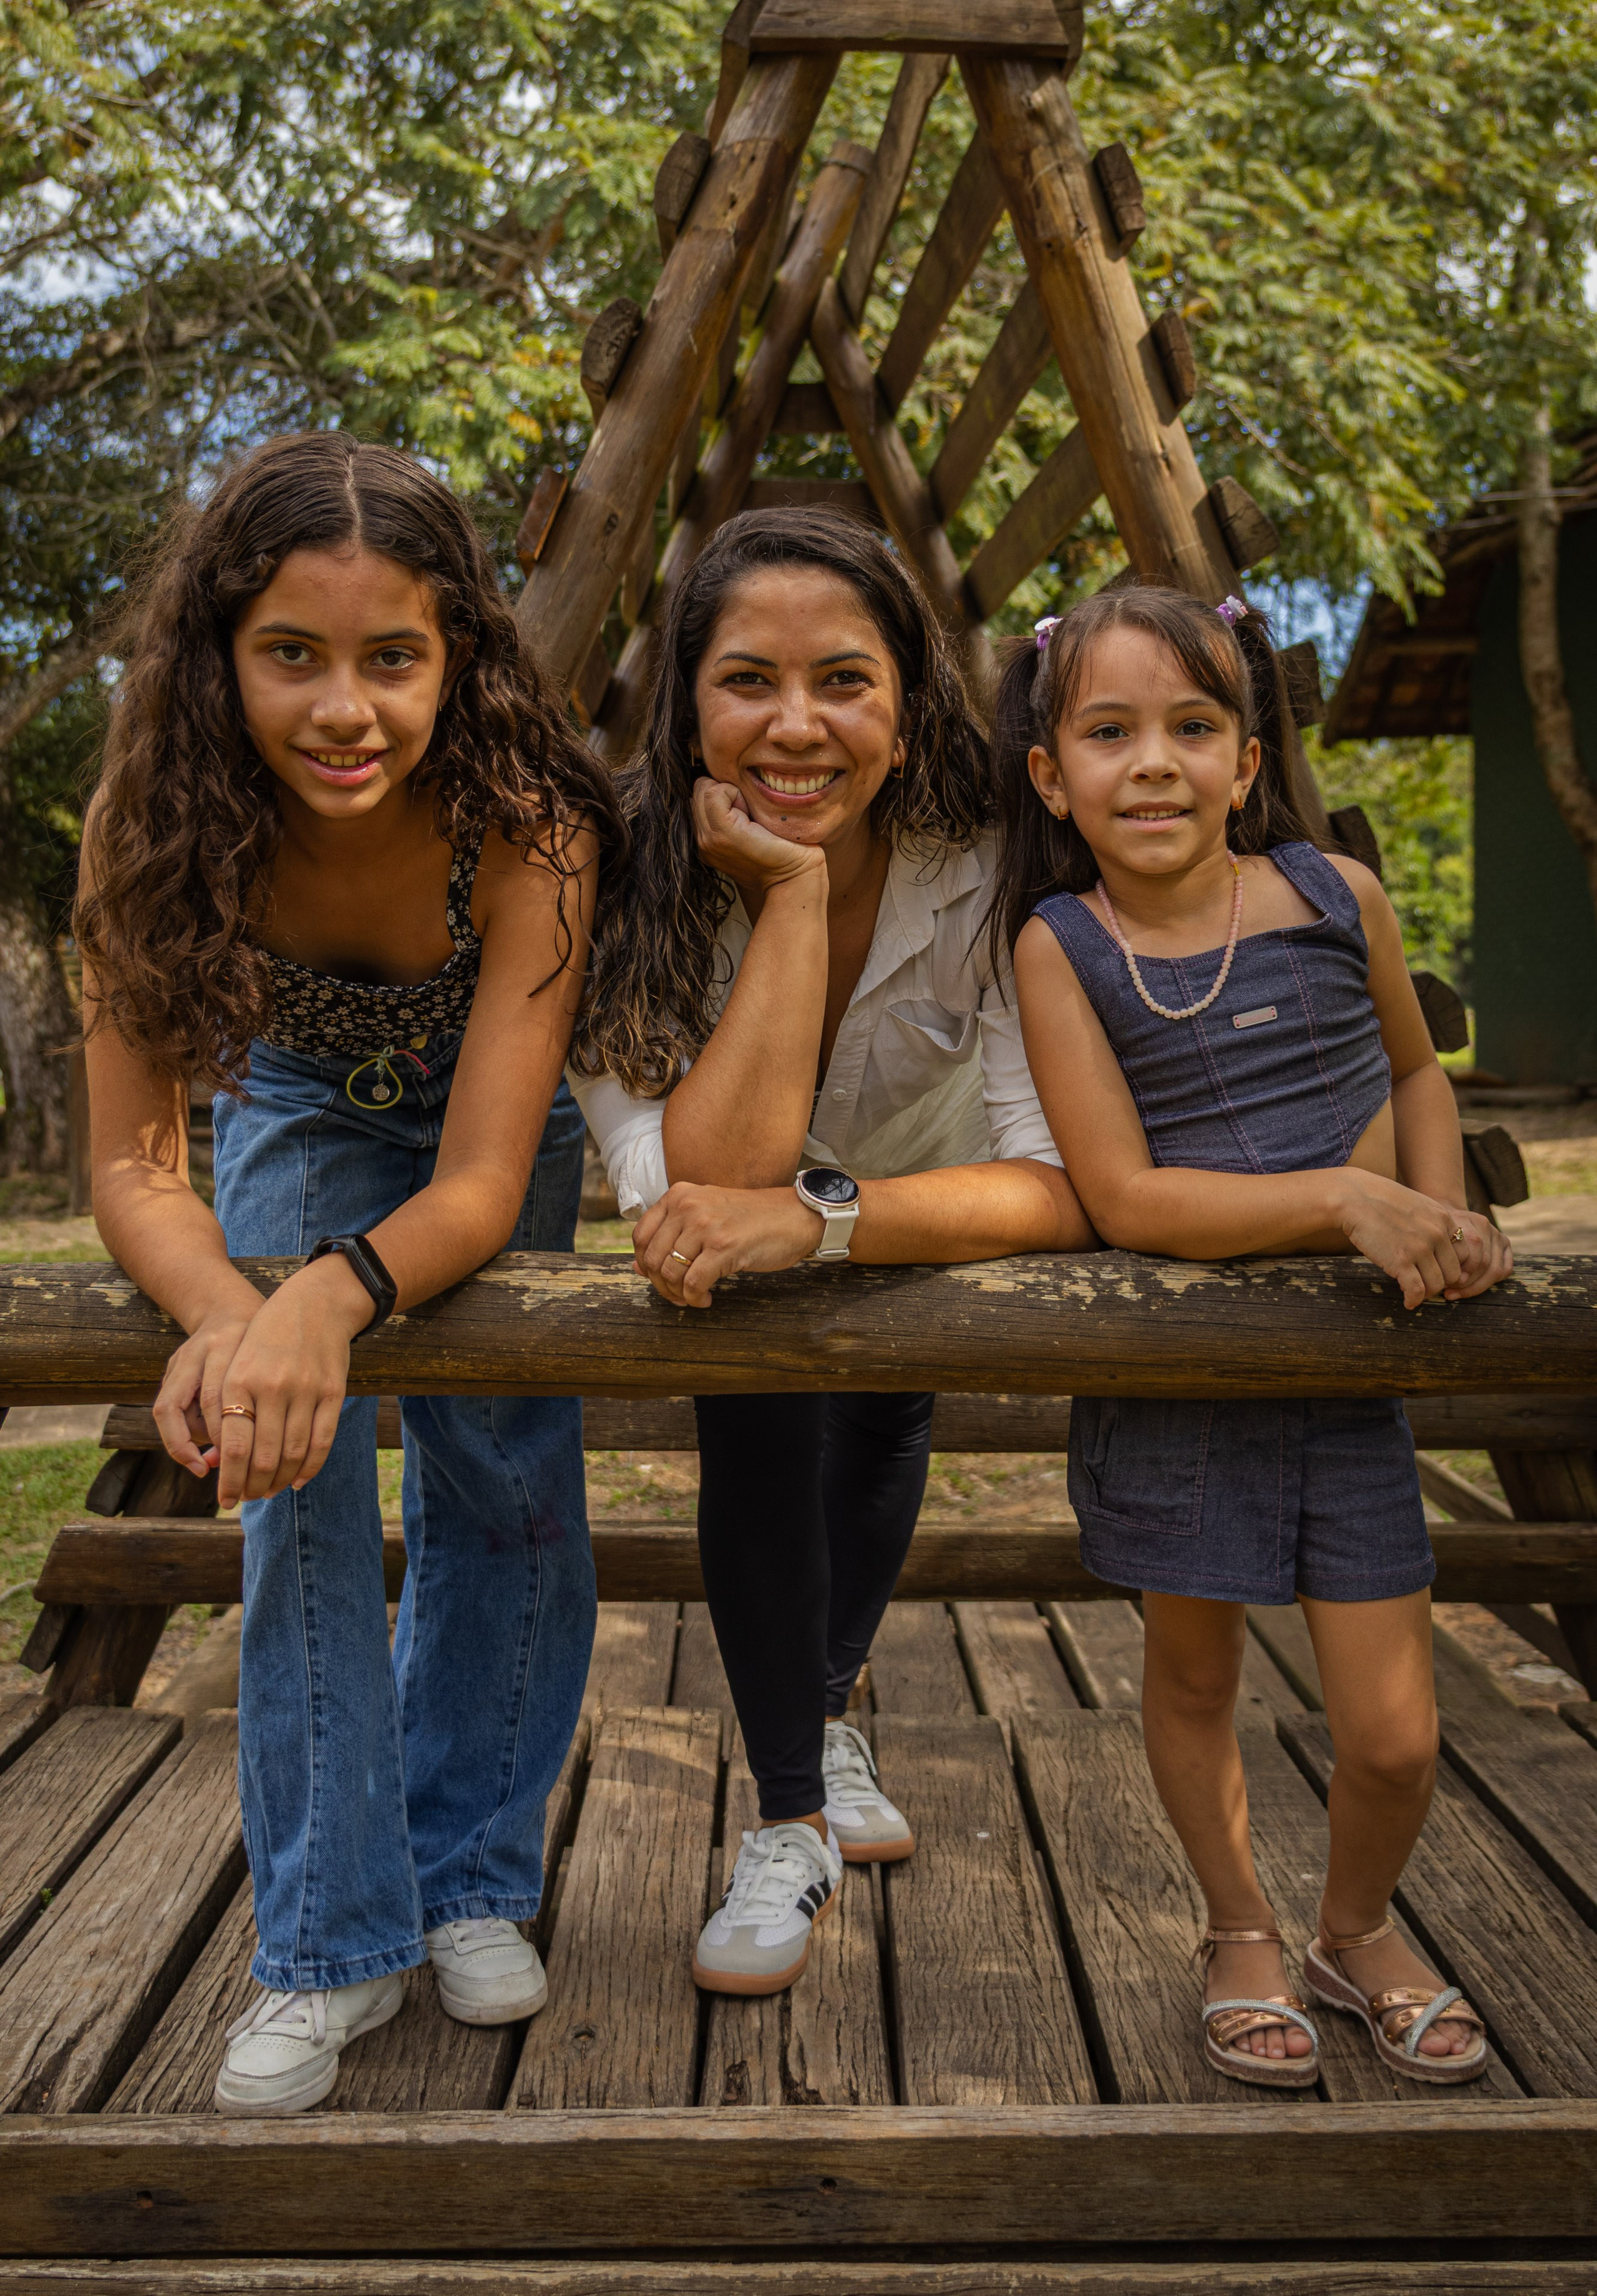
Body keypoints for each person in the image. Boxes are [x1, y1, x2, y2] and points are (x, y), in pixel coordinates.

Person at [75, 432, 623, 2114]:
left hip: (482, 1125)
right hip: (294, 1103)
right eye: (291, 656)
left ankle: (469, 1875)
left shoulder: (529, 824)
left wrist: (328, 1294)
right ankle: (327, 1939)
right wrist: (235, 1317)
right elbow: (132, 1162)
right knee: (278, 1467)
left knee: (507, 1479)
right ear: (219, 655)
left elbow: (474, 1176)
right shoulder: (155, 818)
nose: (345, 709)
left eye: (393, 657)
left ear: (457, 654)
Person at [569, 508, 1093, 1997]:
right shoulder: (618, 865)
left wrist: (831, 1219)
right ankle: (788, 1815)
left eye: (843, 682)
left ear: (906, 694)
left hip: (921, 1197)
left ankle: (823, 1704)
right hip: (727, 1217)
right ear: (683, 700)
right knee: (754, 1398)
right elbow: (695, 1187)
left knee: (883, 1419)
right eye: (746, 682)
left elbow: (1052, 1179)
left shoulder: (993, 853)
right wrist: (791, 901)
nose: (794, 728)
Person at [996, 581, 1510, 2088]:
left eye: (1190, 727)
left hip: (1351, 1378)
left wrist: (1429, 1207)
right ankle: (1236, 1929)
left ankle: (1353, 1930)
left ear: (1244, 755)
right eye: (1107, 732)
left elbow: (1415, 1068)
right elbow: (1126, 1196)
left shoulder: (1337, 894)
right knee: (1195, 1679)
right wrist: (1348, 1204)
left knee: (1393, 1732)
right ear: (1050, 775)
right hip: (1179, 1381)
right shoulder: (1058, 943)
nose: (1150, 762)